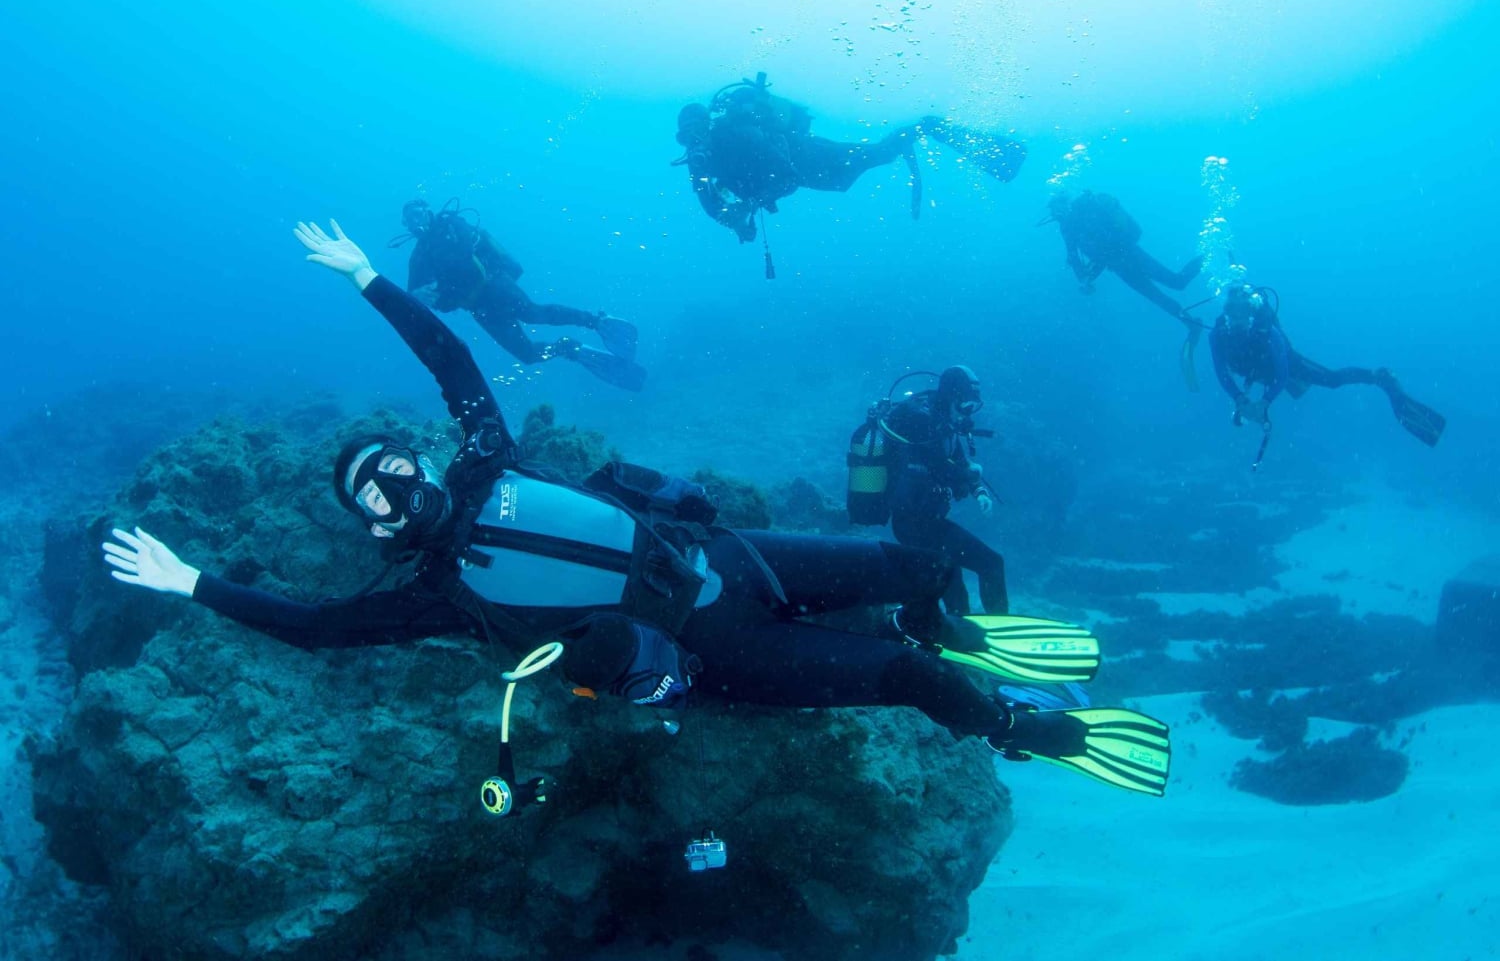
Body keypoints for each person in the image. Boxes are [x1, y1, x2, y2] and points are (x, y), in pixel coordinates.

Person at [99, 220, 1170, 798]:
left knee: (917, 564)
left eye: (389, 461)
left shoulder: (483, 455)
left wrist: (370, 278)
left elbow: (454, 355)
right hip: (717, 651)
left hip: (736, 556)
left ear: (421, 459)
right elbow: (317, 627)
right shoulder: (436, 596)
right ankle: (1016, 727)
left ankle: (939, 614)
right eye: (367, 492)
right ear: (374, 524)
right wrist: (192, 580)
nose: (390, 482)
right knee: (909, 680)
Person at [674, 73, 1027, 247]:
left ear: (709, 126)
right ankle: (919, 131)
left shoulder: (738, 134)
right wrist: (735, 221)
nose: (693, 143)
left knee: (881, 154)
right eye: (685, 137)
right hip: (817, 173)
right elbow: (709, 203)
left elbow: (788, 177)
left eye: (697, 133)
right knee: (875, 159)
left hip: (815, 156)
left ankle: (927, 127)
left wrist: (748, 204)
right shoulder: (699, 159)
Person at [394, 198, 646, 391]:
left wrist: (438, 289)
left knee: (533, 313)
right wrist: (419, 294)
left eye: (417, 214)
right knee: (526, 354)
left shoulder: (451, 224)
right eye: (409, 220)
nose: (416, 222)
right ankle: (569, 348)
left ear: (428, 211)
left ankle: (595, 321)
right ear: (406, 225)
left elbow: (461, 254)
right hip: (478, 308)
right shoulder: (419, 255)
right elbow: (410, 297)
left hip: (495, 285)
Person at [1208, 281, 1446, 446]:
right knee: (1292, 391)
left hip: (1286, 365)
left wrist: (1265, 402)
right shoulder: (1217, 334)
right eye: (1231, 311)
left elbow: (1281, 374)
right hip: (1255, 372)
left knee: (1332, 381)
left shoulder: (1268, 332)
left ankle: (1380, 376)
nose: (1237, 318)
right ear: (1224, 310)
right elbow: (1222, 372)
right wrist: (1240, 399)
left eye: (1243, 311)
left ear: (1252, 311)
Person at [880, 366, 1009, 618]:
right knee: (974, 570)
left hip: (927, 520)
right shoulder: (923, 421)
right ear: (953, 395)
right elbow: (942, 467)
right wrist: (971, 475)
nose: (968, 412)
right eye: (966, 403)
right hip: (913, 522)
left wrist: (979, 490)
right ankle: (961, 636)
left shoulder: (941, 421)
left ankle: (974, 632)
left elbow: (958, 460)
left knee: (976, 570)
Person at [1046, 191, 1204, 330]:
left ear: (1066, 203)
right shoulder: (1066, 227)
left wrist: (1088, 275)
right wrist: (1083, 279)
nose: (1055, 215)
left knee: (1177, 283)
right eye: (1053, 212)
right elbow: (1073, 255)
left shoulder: (1087, 210)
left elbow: (1105, 244)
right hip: (1118, 266)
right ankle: (1190, 323)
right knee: (1156, 297)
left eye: (1056, 209)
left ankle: (1210, 256)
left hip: (1131, 254)